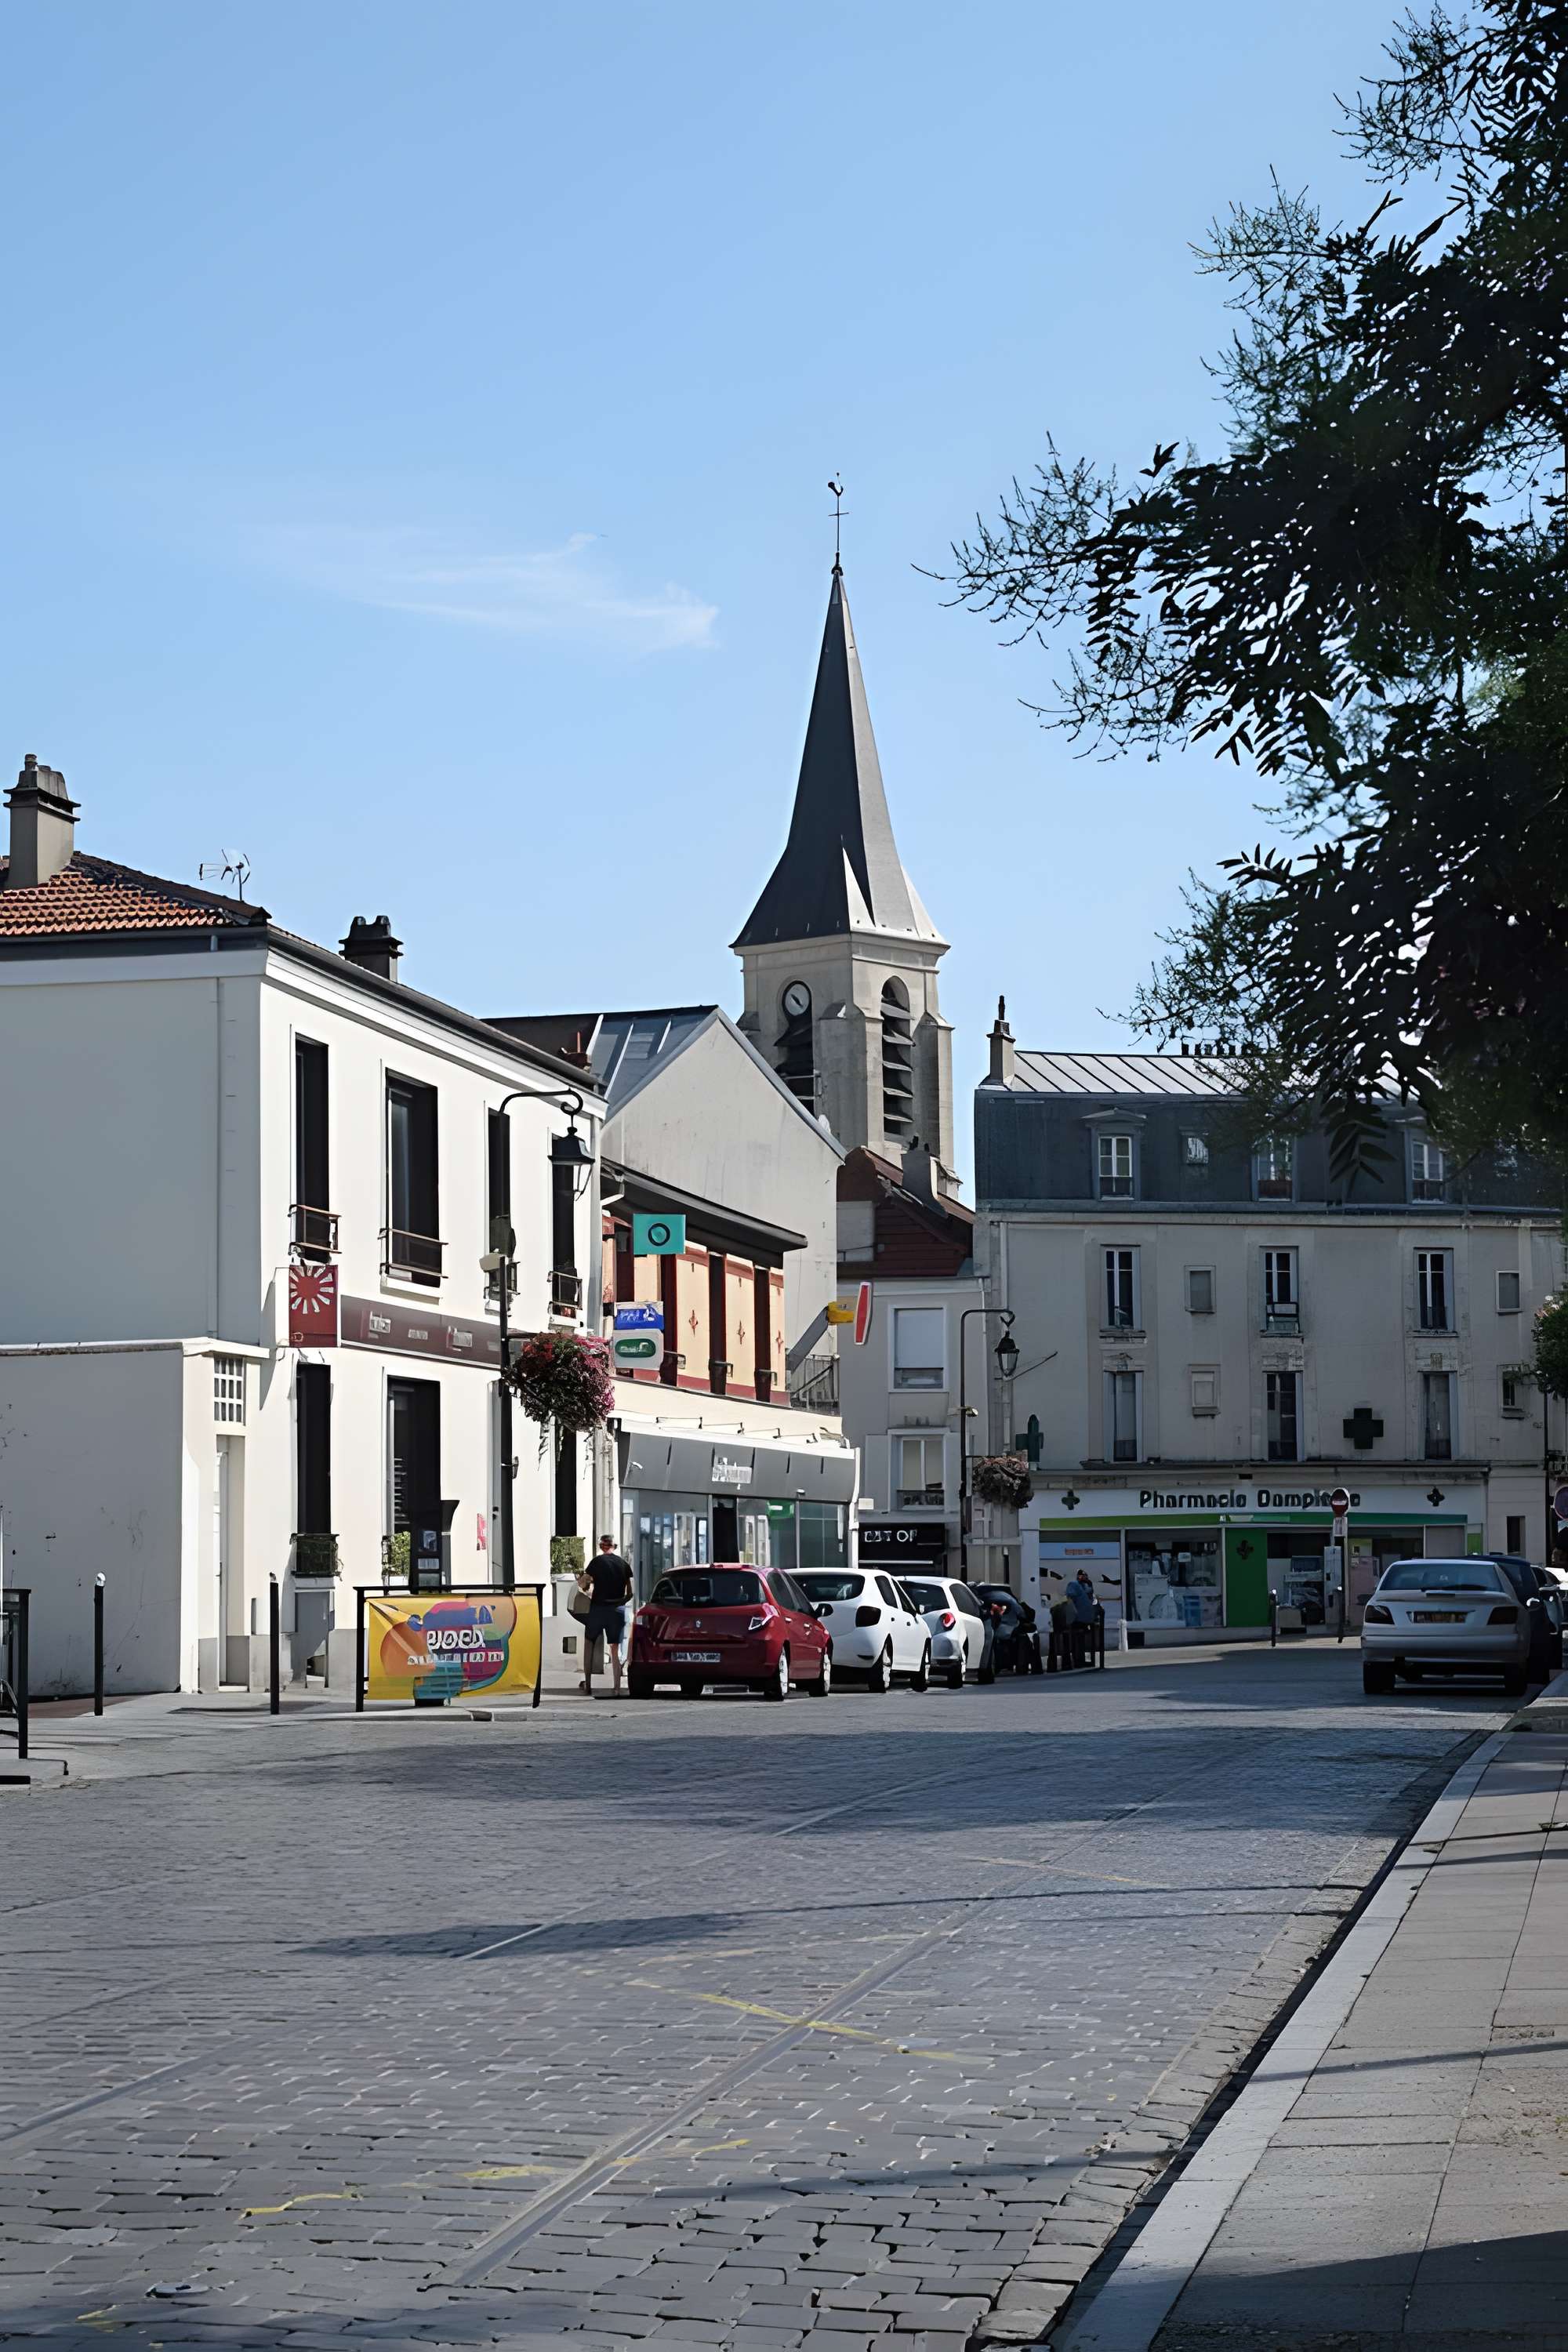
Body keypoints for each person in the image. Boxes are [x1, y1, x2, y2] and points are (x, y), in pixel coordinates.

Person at [578, 1535, 634, 1698]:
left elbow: (583, 1584)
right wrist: (620, 1602)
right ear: (614, 1546)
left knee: (589, 1643)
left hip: (598, 1608)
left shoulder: (596, 1563)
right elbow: (630, 1593)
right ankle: (616, 1688)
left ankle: (588, 1686)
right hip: (617, 1610)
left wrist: (586, 1586)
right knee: (615, 1649)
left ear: (601, 1546)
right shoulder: (623, 1564)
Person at [1066, 1567, 1097, 1667]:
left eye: (1084, 1576)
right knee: (1077, 1638)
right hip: (1077, 1617)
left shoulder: (1086, 1586)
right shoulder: (1074, 1584)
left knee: (1082, 1639)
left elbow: (1091, 1597)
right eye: (1081, 1575)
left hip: (1086, 1618)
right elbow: (1070, 1598)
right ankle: (1077, 1661)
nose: (1083, 1577)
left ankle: (1082, 1660)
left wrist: (1090, 1585)